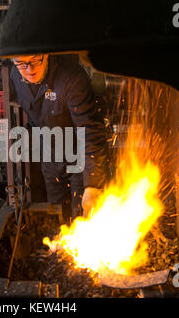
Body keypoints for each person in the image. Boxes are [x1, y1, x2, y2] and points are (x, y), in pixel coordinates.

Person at [9, 54, 110, 220]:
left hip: (81, 157)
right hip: (51, 156)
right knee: (57, 216)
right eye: (21, 63)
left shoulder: (71, 77)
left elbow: (89, 129)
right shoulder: (15, 75)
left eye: (34, 60)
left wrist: (93, 184)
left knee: (84, 218)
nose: (29, 69)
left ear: (46, 55)